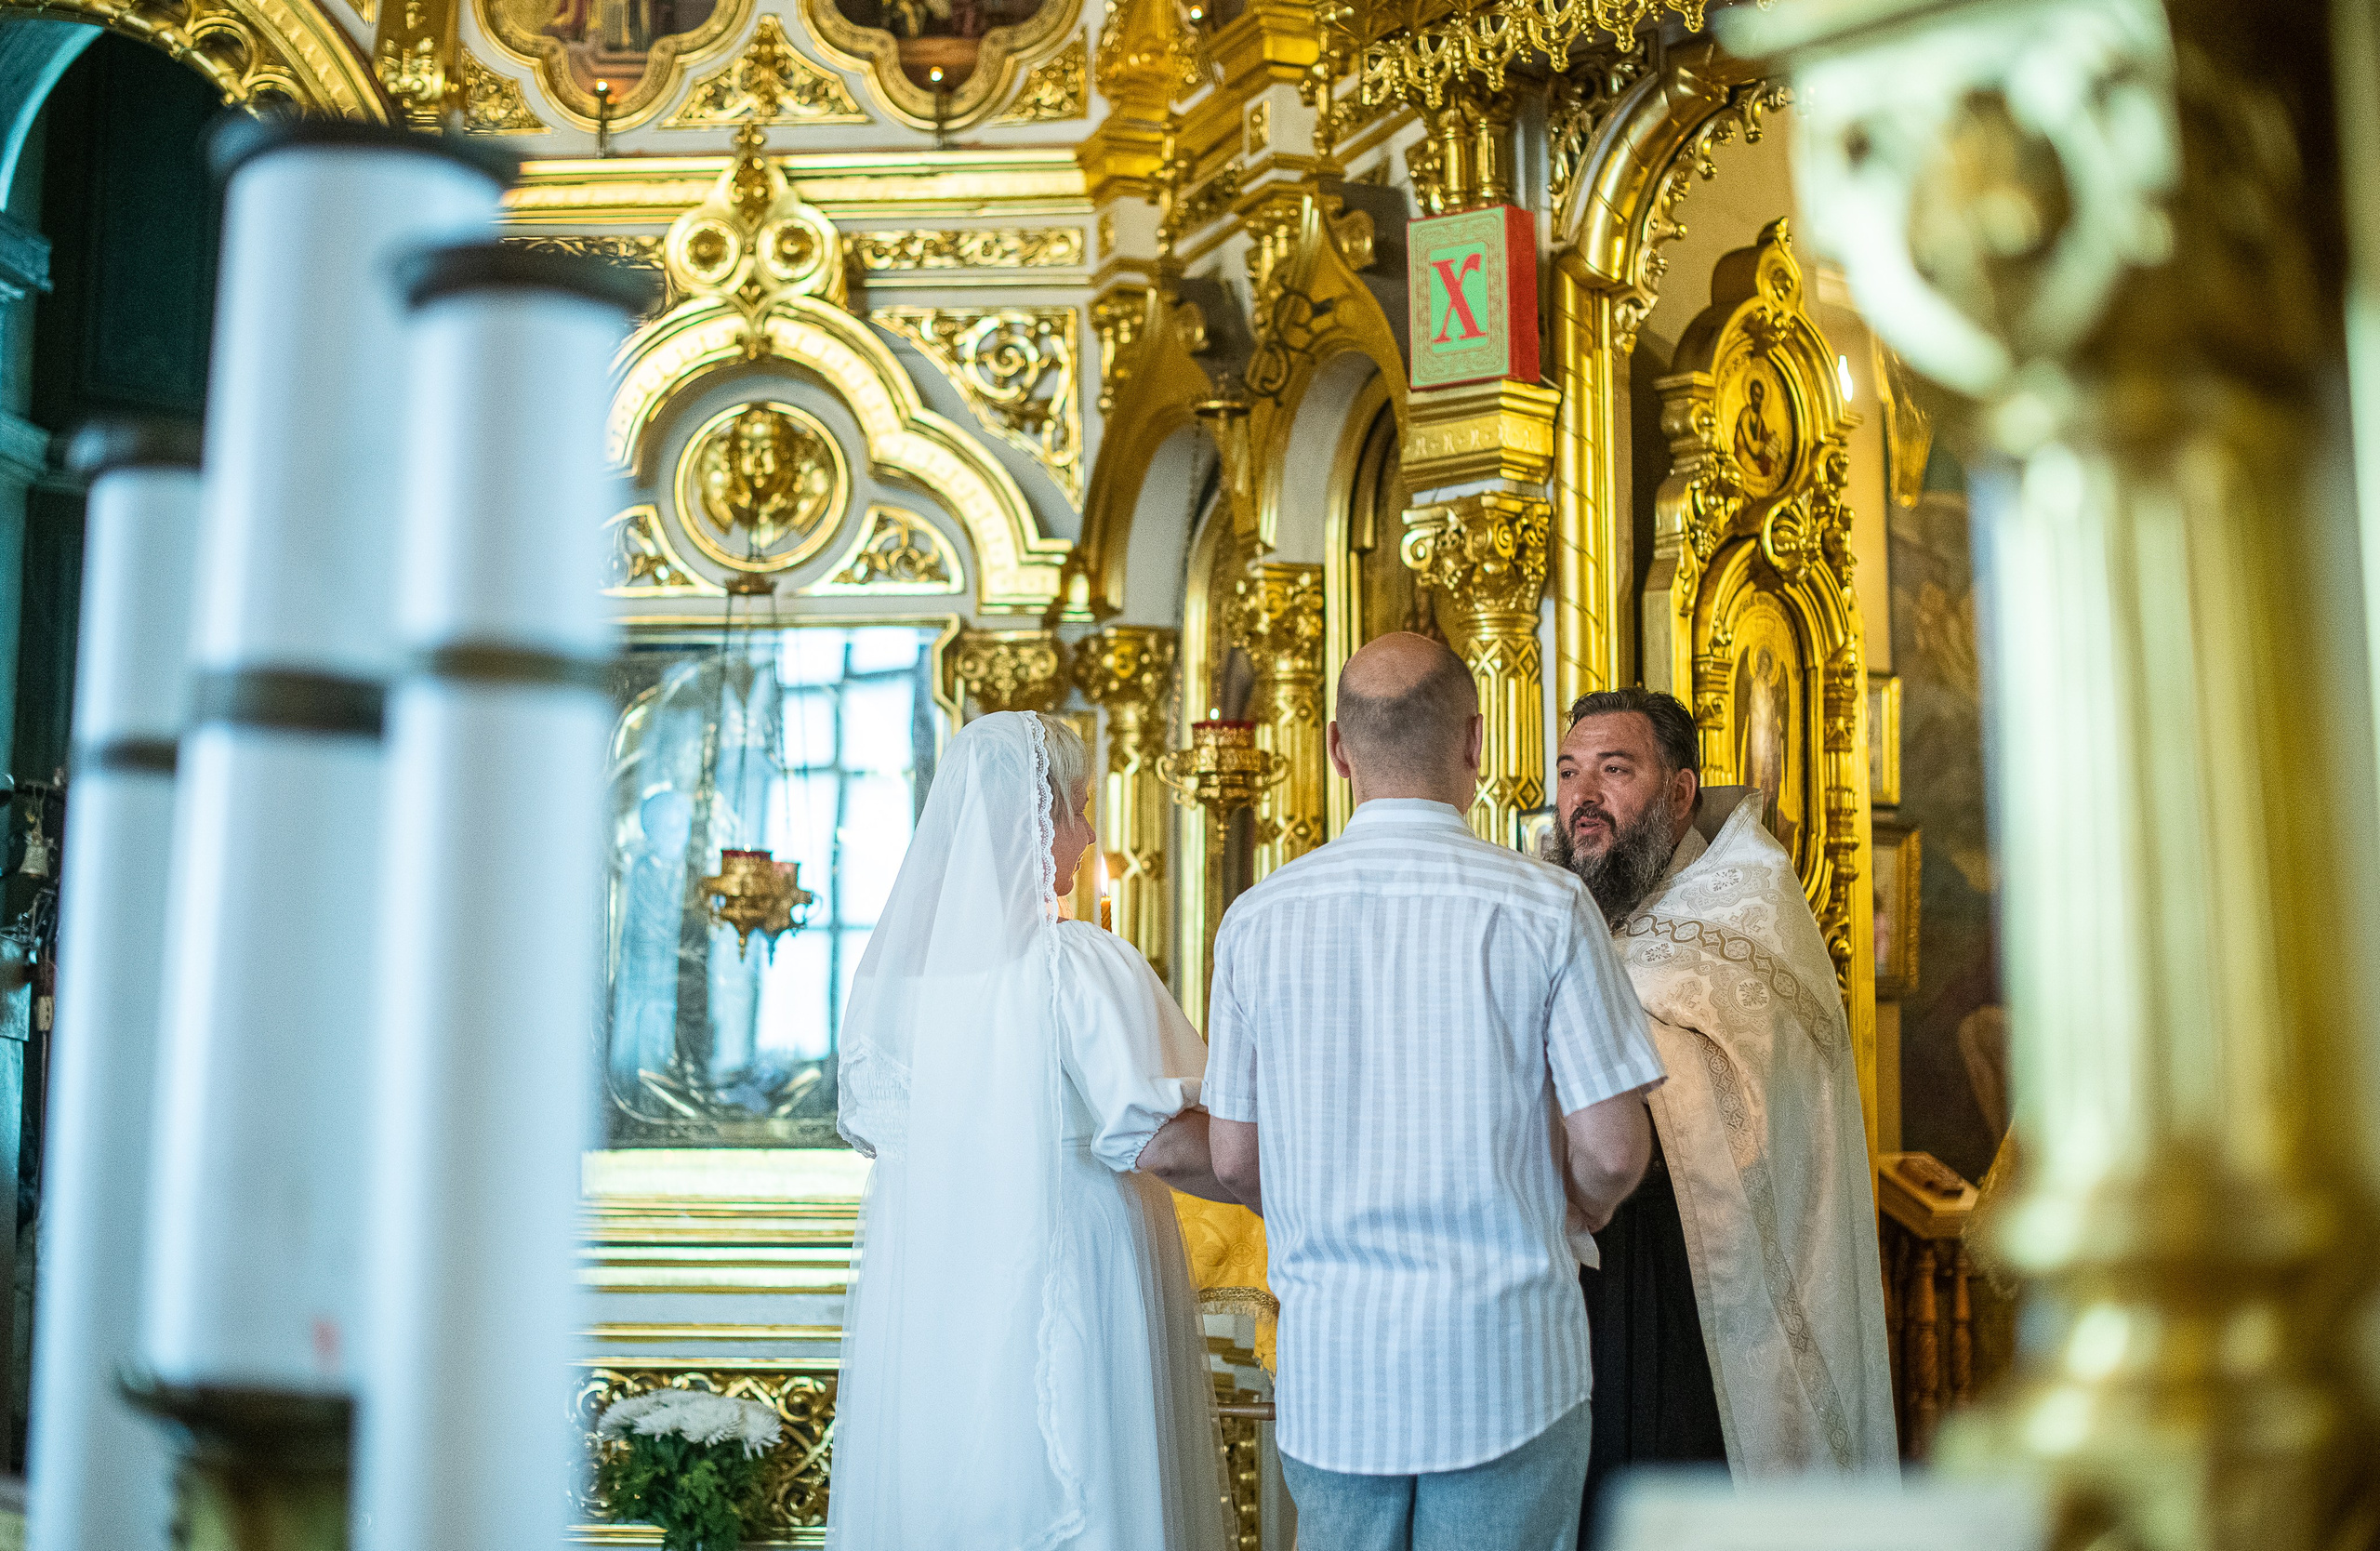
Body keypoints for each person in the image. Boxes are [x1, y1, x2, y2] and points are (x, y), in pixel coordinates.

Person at [1204, 632, 1666, 1551]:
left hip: (1335, 1367)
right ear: (1473, 743)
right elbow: (1614, 1150)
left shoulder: (1256, 920)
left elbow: (1232, 1158)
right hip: (1506, 1357)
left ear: (1338, 749)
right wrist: (1567, 1207)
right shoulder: (1544, 907)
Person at [827, 710, 1236, 1551]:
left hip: (937, 1293)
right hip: (1067, 1261)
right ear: (1033, 816)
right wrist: (1288, 1173)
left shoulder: (887, 986)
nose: (1088, 833)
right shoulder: (1073, 966)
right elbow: (1160, 1138)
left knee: (960, 1480)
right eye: (1078, 806)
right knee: (1077, 1465)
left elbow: (879, 1137)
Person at [1548, 686, 1897, 1531]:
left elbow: (1733, 1070)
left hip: (1699, 1286)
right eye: (1569, 772)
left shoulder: (1749, 902)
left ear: (1679, 792)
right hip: (1581, 1270)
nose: (1583, 797)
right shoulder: (1564, 911)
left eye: (1614, 770)